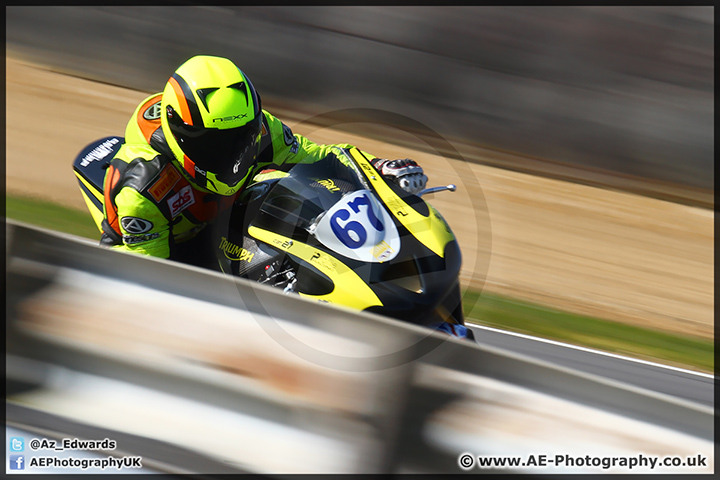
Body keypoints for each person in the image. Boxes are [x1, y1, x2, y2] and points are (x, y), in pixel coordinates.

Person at [84, 55, 427, 269]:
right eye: (220, 143)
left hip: (220, 212)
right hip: (167, 245)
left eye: (242, 138)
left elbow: (317, 156)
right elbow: (149, 281)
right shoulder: (144, 187)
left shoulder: (260, 129)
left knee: (282, 192)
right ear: (181, 131)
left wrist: (377, 168)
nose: (235, 152)